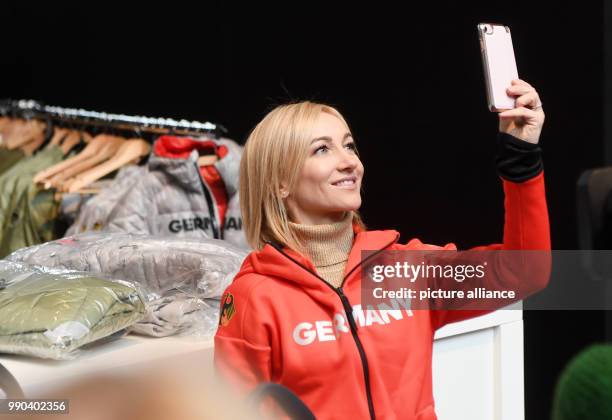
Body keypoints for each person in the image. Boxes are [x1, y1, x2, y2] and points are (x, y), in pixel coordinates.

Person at [214, 79, 550, 419]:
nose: (349, 162)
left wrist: (520, 159)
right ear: (279, 182)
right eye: (322, 149)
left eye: (349, 146)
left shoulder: (407, 270)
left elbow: (523, 273)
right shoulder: (255, 298)